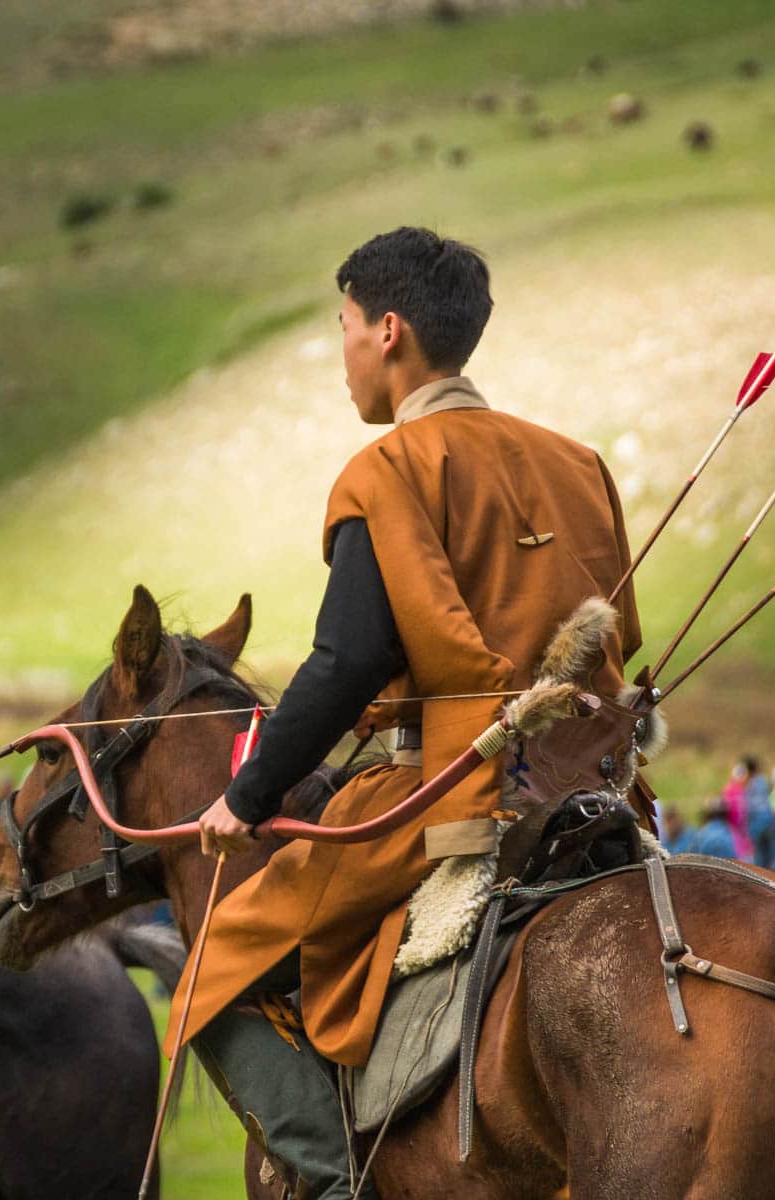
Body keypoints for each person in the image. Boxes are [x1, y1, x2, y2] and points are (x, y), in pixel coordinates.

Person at [178, 228, 642, 1199]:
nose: (342, 350)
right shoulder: (581, 463)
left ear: (387, 332)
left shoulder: (383, 472)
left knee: (212, 962)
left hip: (442, 795)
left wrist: (248, 798)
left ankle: (333, 1183)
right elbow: (619, 640)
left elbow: (346, 662)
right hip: (600, 793)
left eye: (343, 326)